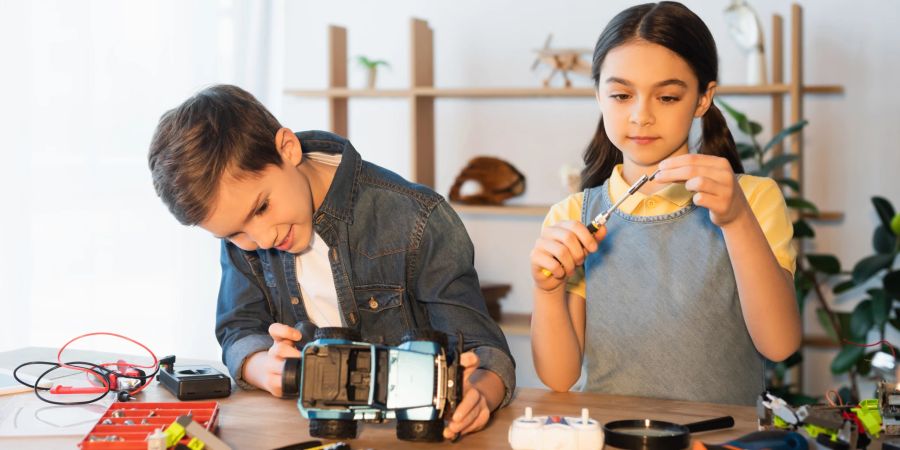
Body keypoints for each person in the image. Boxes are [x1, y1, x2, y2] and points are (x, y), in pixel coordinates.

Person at [148, 85, 515, 438]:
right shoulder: (245, 232)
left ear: (287, 149)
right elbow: (238, 329)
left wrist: (481, 392)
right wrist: (263, 367)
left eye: (261, 208)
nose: (262, 240)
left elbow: (484, 350)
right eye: (233, 234)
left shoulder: (417, 218)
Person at [529, 1, 800, 405]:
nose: (641, 116)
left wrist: (737, 218)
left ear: (703, 98)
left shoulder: (754, 199)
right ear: (598, 95)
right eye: (621, 94)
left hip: (721, 439)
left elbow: (779, 345)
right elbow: (560, 378)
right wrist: (546, 292)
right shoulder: (572, 216)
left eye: (668, 97)